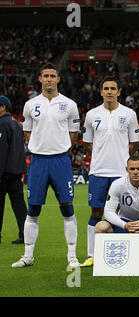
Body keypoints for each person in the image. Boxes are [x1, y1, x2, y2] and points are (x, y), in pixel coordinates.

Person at [12, 63, 80, 268]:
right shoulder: (30, 104)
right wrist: (41, 146)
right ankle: (28, 256)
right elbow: (28, 132)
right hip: (38, 161)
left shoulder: (69, 104)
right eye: (46, 76)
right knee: (33, 209)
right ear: (40, 79)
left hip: (60, 160)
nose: (49, 79)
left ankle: (72, 256)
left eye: (53, 75)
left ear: (58, 79)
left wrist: (59, 147)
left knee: (67, 207)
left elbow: (74, 134)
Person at [80, 76, 139, 267]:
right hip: (98, 171)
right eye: (106, 88)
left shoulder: (129, 114)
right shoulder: (91, 115)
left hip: (121, 173)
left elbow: (134, 143)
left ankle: (126, 253)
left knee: (124, 212)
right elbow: (87, 143)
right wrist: (101, 155)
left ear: (119, 92)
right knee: (96, 211)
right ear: (100, 92)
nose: (109, 92)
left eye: (113, 88)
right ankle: (92, 254)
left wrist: (122, 158)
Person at [0, 96, 27, 244]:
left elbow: (2, 151)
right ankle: (24, 234)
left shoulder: (1, 124)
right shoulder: (16, 123)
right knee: (19, 205)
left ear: (3, 107)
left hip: (4, 172)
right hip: (17, 171)